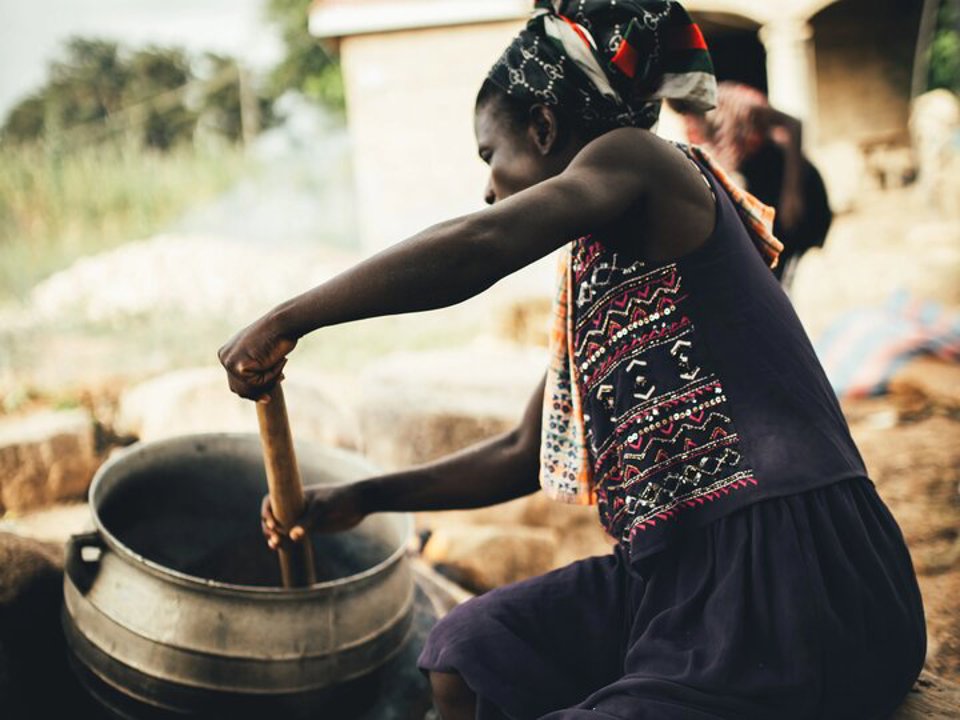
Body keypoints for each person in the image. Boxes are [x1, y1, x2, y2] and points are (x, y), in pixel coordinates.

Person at [218, 1, 925, 718]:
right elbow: (528, 448)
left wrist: (289, 320)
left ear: (546, 127)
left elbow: (481, 243)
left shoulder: (640, 160)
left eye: (490, 156)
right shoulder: (600, 267)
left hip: (794, 573)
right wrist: (366, 497)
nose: (488, 188)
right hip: (680, 575)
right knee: (469, 644)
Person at [676, 81, 833, 287]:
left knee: (786, 263)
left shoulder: (734, 101)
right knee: (771, 268)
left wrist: (792, 194)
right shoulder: (692, 125)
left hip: (792, 180)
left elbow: (794, 124)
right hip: (763, 190)